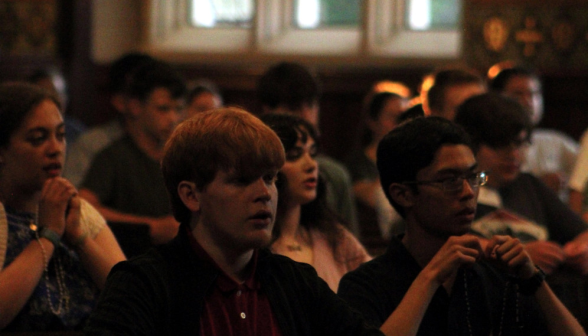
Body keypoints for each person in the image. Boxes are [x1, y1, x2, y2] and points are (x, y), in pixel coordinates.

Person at [84, 107, 384, 336]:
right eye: (241, 181)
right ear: (191, 195)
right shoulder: (143, 284)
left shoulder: (294, 281)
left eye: (269, 178)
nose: (264, 193)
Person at [338, 116, 586, 336]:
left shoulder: (492, 275)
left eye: (473, 177)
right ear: (403, 194)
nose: (468, 192)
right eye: (449, 181)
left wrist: (534, 280)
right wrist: (431, 278)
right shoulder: (365, 285)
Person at [0, 82, 125, 332]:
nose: (55, 149)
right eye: (38, 139)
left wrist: (80, 240)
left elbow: (131, 298)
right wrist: (48, 236)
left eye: (61, 135)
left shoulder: (76, 208)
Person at [454, 93, 588, 276]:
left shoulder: (529, 185)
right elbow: (440, 242)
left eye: (520, 144)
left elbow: (581, 232)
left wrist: (580, 249)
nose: (513, 154)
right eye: (500, 144)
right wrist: (519, 254)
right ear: (471, 144)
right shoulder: (456, 190)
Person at [79, 59, 186, 246]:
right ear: (136, 106)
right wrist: (151, 227)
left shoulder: (182, 157)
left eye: (177, 109)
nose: (173, 118)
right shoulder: (114, 157)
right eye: (163, 109)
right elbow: (84, 207)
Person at [261, 113, 371, 292]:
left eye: (312, 154)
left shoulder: (334, 237)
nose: (311, 164)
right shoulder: (253, 246)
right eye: (295, 155)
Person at [258, 61, 359, 235]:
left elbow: (349, 240)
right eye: (294, 107)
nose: (306, 116)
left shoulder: (333, 174)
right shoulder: (254, 168)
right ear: (268, 111)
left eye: (311, 105)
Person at [63, 52, 155, 188]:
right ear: (119, 102)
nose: (172, 117)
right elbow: (77, 200)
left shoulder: (167, 144)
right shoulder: (94, 145)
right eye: (163, 108)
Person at [490, 64, 578, 199]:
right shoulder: (490, 146)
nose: (529, 102)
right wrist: (538, 186)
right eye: (517, 94)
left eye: (534, 94)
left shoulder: (555, 141)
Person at [345, 91, 409, 240]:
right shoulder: (356, 163)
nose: (400, 123)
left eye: (403, 117)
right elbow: (373, 200)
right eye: (392, 117)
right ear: (372, 122)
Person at [28, 67, 86, 144]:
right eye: (43, 95)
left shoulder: (78, 134)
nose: (50, 101)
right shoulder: (22, 134)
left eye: (56, 94)